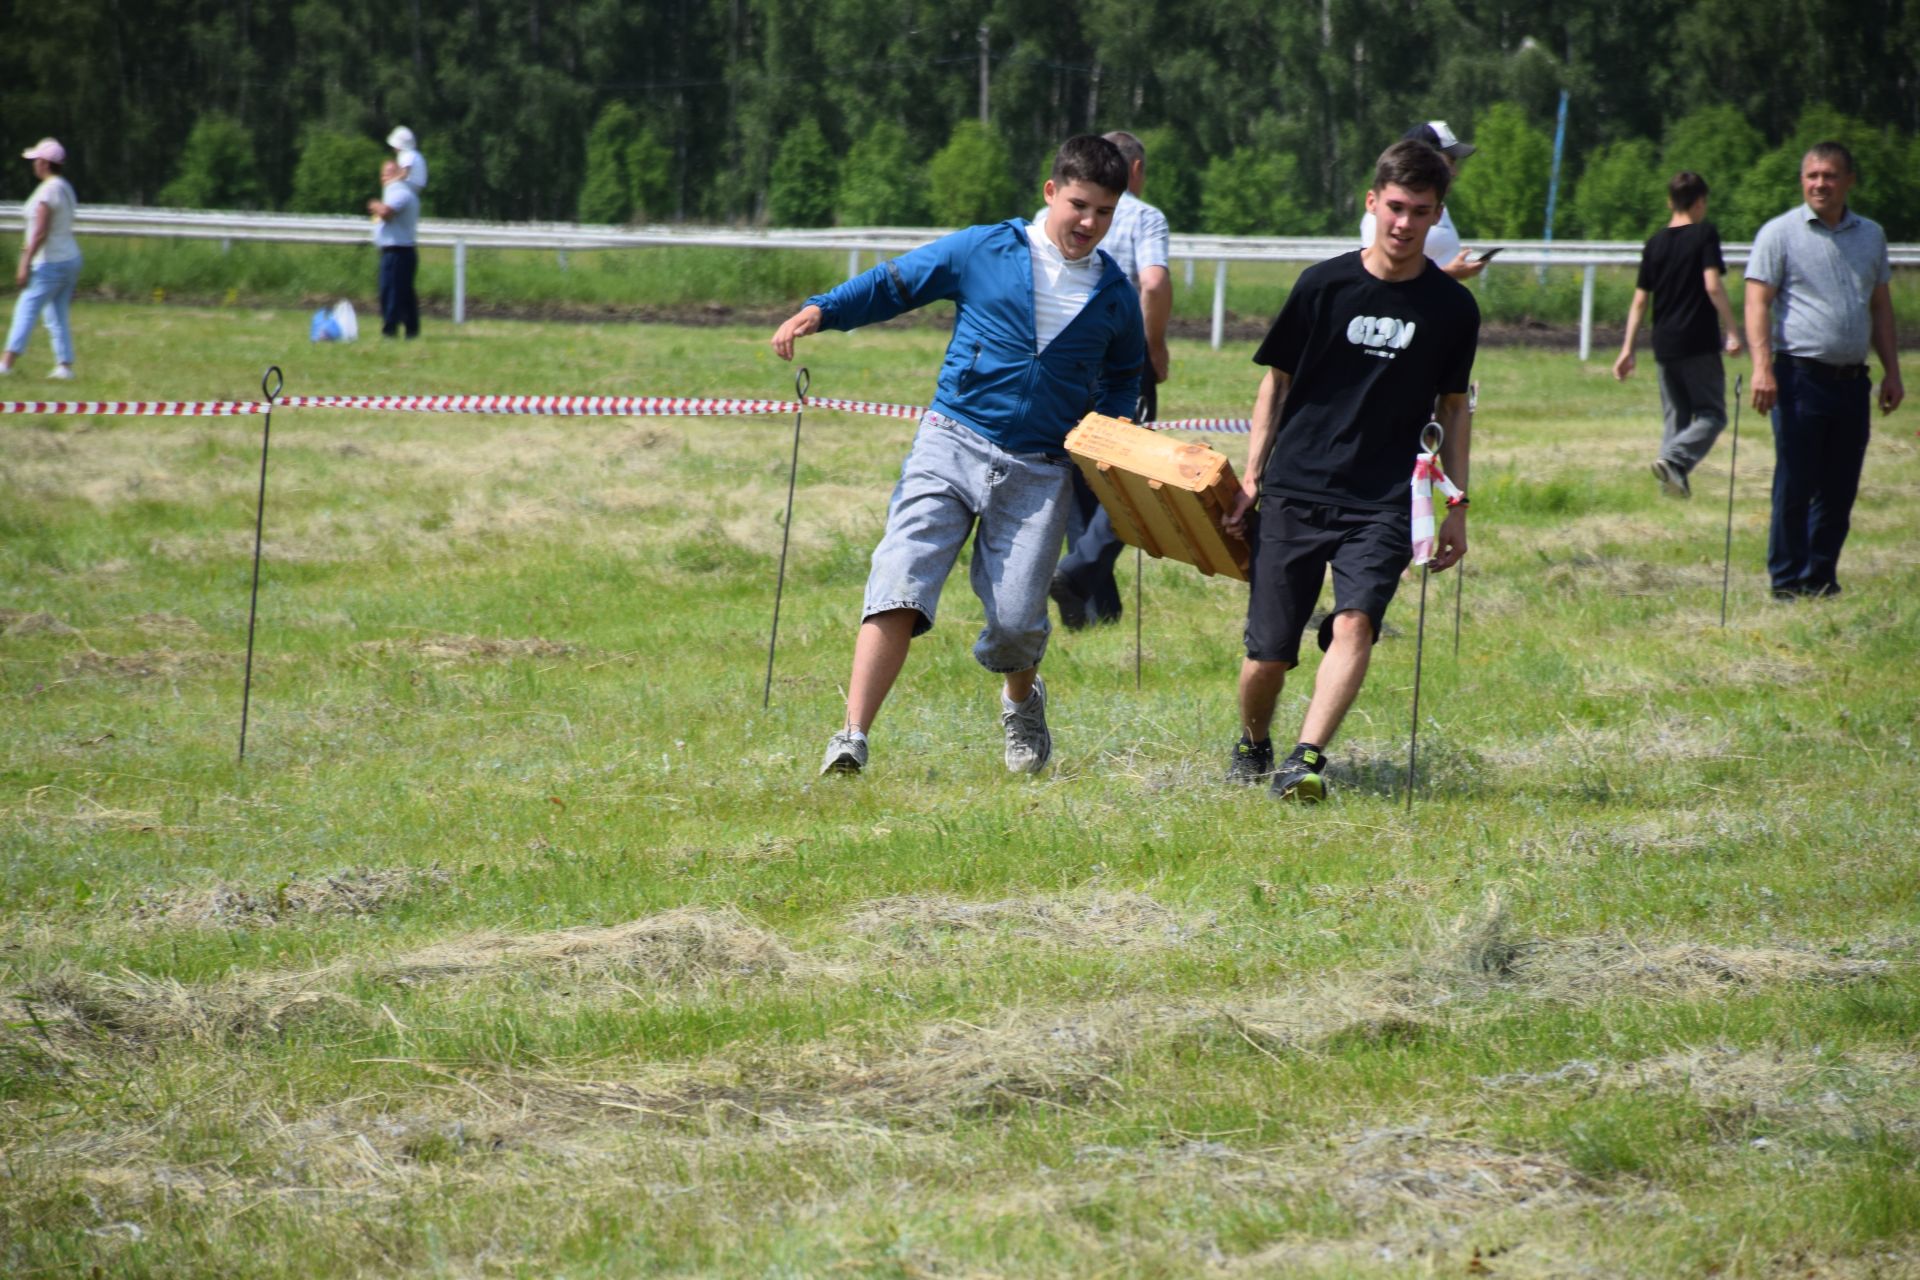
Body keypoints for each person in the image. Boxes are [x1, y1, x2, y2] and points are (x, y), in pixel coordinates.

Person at [769, 135, 1145, 777]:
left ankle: (1022, 703)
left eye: (1105, 212)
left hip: (1040, 469)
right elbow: (898, 282)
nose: (1089, 223)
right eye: (1080, 205)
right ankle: (852, 736)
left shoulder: (1114, 296)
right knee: (902, 576)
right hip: (952, 438)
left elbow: (1124, 374)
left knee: (1015, 622)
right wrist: (822, 309)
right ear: (1051, 192)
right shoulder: (986, 248)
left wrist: (1105, 436)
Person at [1225, 139, 1478, 801]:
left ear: (1436, 215)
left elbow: (1454, 407)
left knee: (1356, 620)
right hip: (1297, 487)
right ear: (1372, 204)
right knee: (1267, 656)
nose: (1404, 223)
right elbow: (1275, 385)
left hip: (1388, 496)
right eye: (1394, 207)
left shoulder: (1453, 310)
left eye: (1419, 211)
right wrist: (1253, 478)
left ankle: (1305, 760)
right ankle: (1255, 742)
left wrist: (1457, 506)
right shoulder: (1322, 286)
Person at [1745, 141, 1903, 600]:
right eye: (1812, 175)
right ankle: (1787, 581)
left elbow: (1881, 307)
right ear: (1802, 180)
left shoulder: (1870, 235)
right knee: (1796, 482)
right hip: (1799, 377)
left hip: (1852, 381)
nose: (1820, 183)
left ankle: (1820, 577)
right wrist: (1762, 368)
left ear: (1849, 181)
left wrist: (1892, 372)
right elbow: (1757, 301)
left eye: (1830, 175)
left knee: (1839, 487)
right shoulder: (1779, 233)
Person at [1044, 129, 1173, 630]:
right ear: (1135, 171)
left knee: (1078, 474)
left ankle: (1094, 609)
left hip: (1063, 357)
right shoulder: (1143, 214)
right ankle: (1077, 574)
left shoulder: (1052, 210)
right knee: (1132, 474)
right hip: (1120, 354)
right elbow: (1155, 280)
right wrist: (1153, 345)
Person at [1611, 171, 1743, 498]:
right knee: (1712, 414)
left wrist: (1627, 348)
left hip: (1664, 343)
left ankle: (1670, 488)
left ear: (1670, 201)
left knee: (1677, 418)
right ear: (1700, 202)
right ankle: (1674, 459)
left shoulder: (1654, 244)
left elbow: (1641, 299)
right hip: (1698, 341)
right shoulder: (1704, 234)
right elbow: (1712, 285)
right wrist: (1733, 330)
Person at [1357, 122, 1489, 283]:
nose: (1455, 172)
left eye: (1420, 212)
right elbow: (1380, 278)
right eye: (1451, 161)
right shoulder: (1384, 212)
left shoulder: (1438, 208)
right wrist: (1449, 275)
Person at [2, 138, 83, 380]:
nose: (34, 165)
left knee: (26, 308)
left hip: (49, 262)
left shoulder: (48, 190)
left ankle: (6, 362)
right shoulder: (65, 187)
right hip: (69, 257)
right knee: (56, 314)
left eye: (37, 160)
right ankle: (64, 364)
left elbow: (40, 231)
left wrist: (24, 262)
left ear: (45, 163)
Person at [368, 159, 421, 339]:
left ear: (399, 174)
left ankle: (390, 331)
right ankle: (411, 331)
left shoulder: (400, 193)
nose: (385, 178)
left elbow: (386, 213)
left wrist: (374, 205)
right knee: (401, 293)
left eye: (389, 173)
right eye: (383, 174)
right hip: (395, 252)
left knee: (392, 293)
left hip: (398, 252)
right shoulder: (394, 193)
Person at [386, 126, 428, 194]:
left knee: (391, 187)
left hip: (413, 184)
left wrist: (390, 182)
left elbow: (404, 174)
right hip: (418, 184)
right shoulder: (412, 153)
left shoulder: (407, 154)